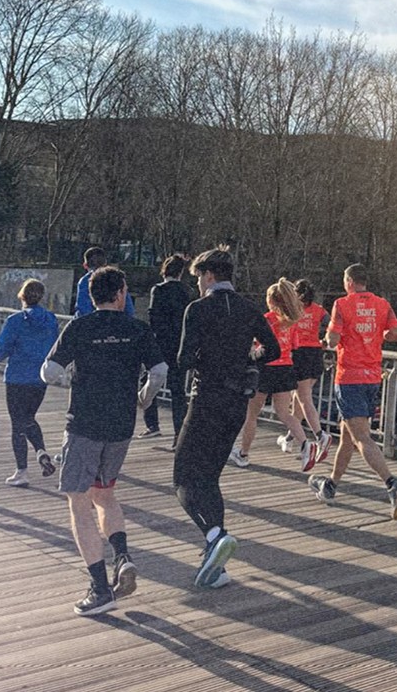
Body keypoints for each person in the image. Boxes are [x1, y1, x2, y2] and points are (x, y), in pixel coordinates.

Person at [41, 266, 166, 616]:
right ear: (122, 292)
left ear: (92, 295)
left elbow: (49, 370)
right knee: (105, 494)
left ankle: (99, 589)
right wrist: (142, 398)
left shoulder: (80, 326)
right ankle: (122, 556)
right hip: (121, 425)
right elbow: (159, 372)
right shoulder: (137, 328)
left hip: (84, 422)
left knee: (79, 503)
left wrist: (70, 384)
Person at [174, 247, 280, 588]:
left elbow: (184, 359)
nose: (199, 285)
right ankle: (216, 567)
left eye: (199, 279)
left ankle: (214, 535)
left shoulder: (198, 309)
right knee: (211, 478)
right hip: (237, 402)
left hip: (206, 398)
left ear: (208, 275)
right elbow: (274, 350)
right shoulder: (249, 308)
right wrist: (249, 358)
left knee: (183, 477)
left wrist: (207, 357)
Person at [307, 263, 397, 519]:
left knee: (361, 438)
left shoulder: (342, 305)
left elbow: (331, 340)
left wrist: (325, 341)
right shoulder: (382, 304)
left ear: (349, 282)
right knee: (347, 437)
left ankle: (392, 484)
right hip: (373, 376)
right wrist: (378, 333)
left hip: (349, 376)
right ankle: (330, 485)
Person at [229, 278, 327, 472]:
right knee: (284, 413)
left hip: (266, 367)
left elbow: (256, 341)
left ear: (271, 301)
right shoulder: (292, 321)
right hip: (285, 368)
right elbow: (296, 345)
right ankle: (305, 443)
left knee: (252, 414)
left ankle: (243, 453)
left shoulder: (266, 319)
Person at [0, 279, 59, 487]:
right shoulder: (51, 319)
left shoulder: (15, 320)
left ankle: (21, 471)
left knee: (17, 424)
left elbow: (1, 351)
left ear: (22, 296)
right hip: (40, 377)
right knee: (29, 417)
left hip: (17, 377)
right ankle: (41, 452)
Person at [137, 253, 191, 443]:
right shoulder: (187, 291)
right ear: (181, 273)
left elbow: (153, 317)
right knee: (178, 391)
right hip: (179, 345)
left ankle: (152, 424)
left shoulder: (158, 290)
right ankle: (179, 434)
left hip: (160, 344)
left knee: (148, 380)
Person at [279, 278, 331, 457]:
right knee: (299, 399)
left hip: (299, 353)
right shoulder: (318, 310)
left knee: (303, 398)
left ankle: (320, 435)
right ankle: (290, 438)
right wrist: (325, 340)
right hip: (315, 354)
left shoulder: (293, 310)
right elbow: (330, 324)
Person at [75, 246, 134, 317]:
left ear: (85, 265)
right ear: (105, 263)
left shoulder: (84, 282)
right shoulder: (116, 278)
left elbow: (83, 309)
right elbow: (129, 309)